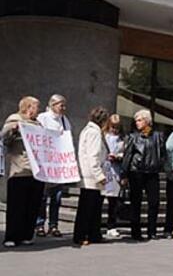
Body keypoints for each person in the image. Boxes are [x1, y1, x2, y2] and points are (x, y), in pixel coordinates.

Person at [1, 97, 45, 248]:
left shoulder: (38, 124)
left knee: (32, 206)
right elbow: (4, 138)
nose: (38, 109)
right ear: (28, 107)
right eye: (36, 106)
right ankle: (12, 236)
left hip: (36, 172)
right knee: (16, 207)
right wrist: (14, 129)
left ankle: (27, 235)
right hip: (20, 171)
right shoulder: (15, 119)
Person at [121, 109, 165, 241]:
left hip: (152, 172)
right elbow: (127, 156)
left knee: (154, 202)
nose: (137, 123)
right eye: (136, 121)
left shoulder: (158, 136)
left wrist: (159, 164)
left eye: (140, 120)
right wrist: (124, 174)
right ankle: (136, 232)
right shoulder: (133, 137)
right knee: (136, 202)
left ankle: (152, 231)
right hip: (136, 172)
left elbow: (162, 153)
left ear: (147, 121)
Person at [35, 94, 72, 238]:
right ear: (53, 105)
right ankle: (39, 224)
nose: (63, 108)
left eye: (64, 105)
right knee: (43, 197)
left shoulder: (64, 120)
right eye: (61, 105)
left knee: (57, 196)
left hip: (58, 164)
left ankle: (53, 225)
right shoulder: (43, 118)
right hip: (46, 162)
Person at [73, 107, 110, 246]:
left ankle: (94, 233)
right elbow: (93, 156)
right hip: (92, 176)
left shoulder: (87, 130)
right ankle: (82, 235)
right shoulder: (94, 133)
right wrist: (99, 175)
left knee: (93, 207)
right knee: (88, 207)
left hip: (88, 174)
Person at [104, 114, 125, 239]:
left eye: (117, 127)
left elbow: (125, 154)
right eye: (113, 127)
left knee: (114, 202)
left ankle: (111, 225)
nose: (114, 130)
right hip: (105, 170)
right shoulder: (104, 136)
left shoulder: (122, 139)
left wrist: (118, 157)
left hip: (116, 170)